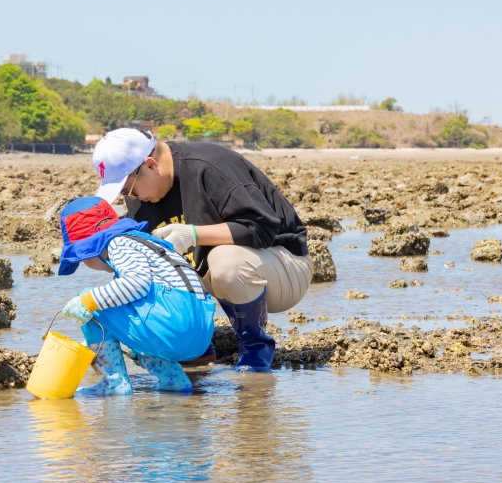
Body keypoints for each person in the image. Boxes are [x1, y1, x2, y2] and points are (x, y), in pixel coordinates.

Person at [91, 128, 312, 372]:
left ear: (151, 166)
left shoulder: (210, 166)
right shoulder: (141, 194)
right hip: (218, 277)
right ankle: (196, 347)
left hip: (284, 266)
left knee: (224, 261)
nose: (131, 198)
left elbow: (261, 229)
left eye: (127, 190)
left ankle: (255, 348)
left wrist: (194, 234)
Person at [58, 196, 215, 395]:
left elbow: (136, 284)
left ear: (93, 247)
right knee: (120, 302)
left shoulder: (118, 244)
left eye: (81, 258)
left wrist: (86, 302)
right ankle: (172, 380)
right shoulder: (144, 243)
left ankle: (113, 384)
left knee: (89, 300)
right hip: (201, 334)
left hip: (173, 325)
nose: (83, 263)